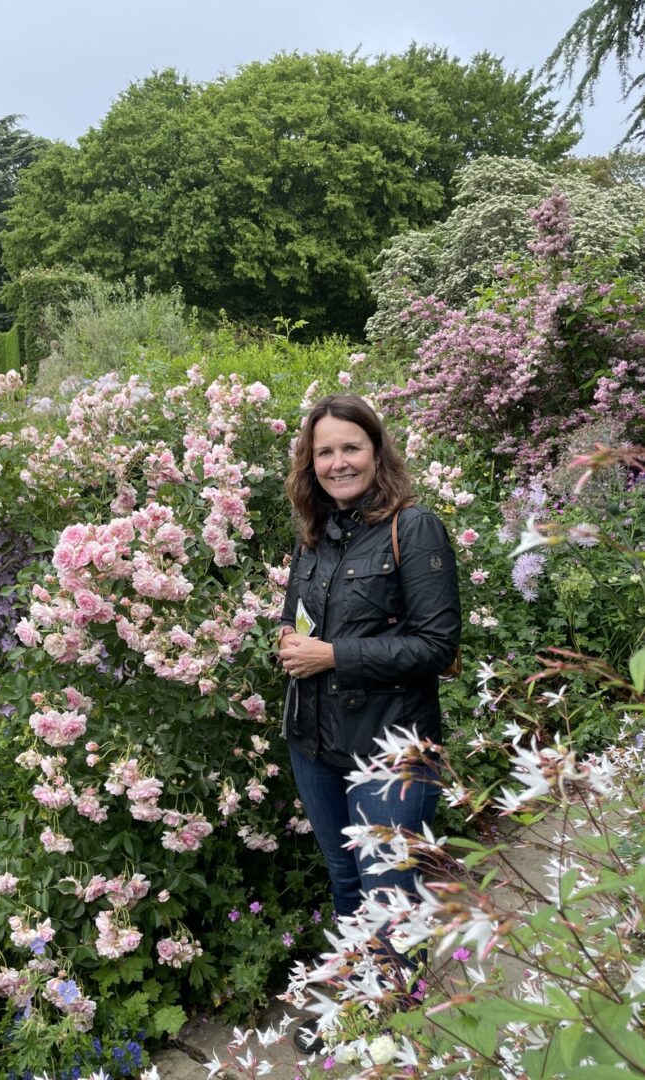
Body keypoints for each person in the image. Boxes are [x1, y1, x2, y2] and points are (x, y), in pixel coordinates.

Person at [277, 394, 460, 1048]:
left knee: (389, 884)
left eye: (350, 447)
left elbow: (437, 646)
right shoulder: (314, 535)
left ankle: (397, 1023)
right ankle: (360, 1001)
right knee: (348, 878)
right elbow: (306, 624)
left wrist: (333, 654)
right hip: (316, 742)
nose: (337, 461)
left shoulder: (413, 529)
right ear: (311, 462)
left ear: (377, 452)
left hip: (391, 745)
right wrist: (295, 643)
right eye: (324, 451)